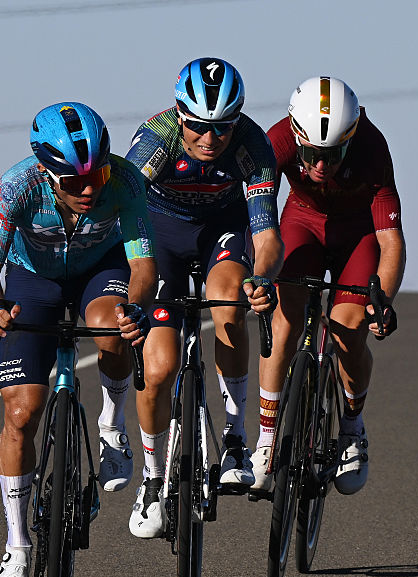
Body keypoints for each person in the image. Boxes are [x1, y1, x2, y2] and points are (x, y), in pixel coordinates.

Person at [0, 102, 157, 577]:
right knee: (22, 412)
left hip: (103, 271)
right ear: (48, 174)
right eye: (74, 182)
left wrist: (135, 309)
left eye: (96, 174)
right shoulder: (17, 186)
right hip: (34, 281)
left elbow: (142, 267)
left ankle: (112, 427)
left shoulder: (127, 181)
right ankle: (17, 544)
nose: (90, 189)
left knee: (110, 326)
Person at [123, 57, 282, 538]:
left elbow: (267, 235)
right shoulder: (157, 138)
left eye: (222, 128)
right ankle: (152, 480)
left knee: (229, 303)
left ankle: (235, 439)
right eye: (198, 127)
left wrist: (262, 277)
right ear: (179, 115)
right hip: (161, 236)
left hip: (223, 231)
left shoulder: (254, 148)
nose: (210, 140)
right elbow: (125, 212)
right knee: (159, 369)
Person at [253, 76, 403, 496]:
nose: (321, 166)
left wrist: (383, 302)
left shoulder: (372, 147)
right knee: (284, 321)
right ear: (295, 135)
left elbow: (391, 242)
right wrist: (259, 273)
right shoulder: (277, 140)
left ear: (350, 139)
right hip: (303, 221)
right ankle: (266, 440)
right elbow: (258, 217)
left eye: (333, 154)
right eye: (311, 154)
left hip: (358, 234)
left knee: (348, 330)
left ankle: (352, 430)